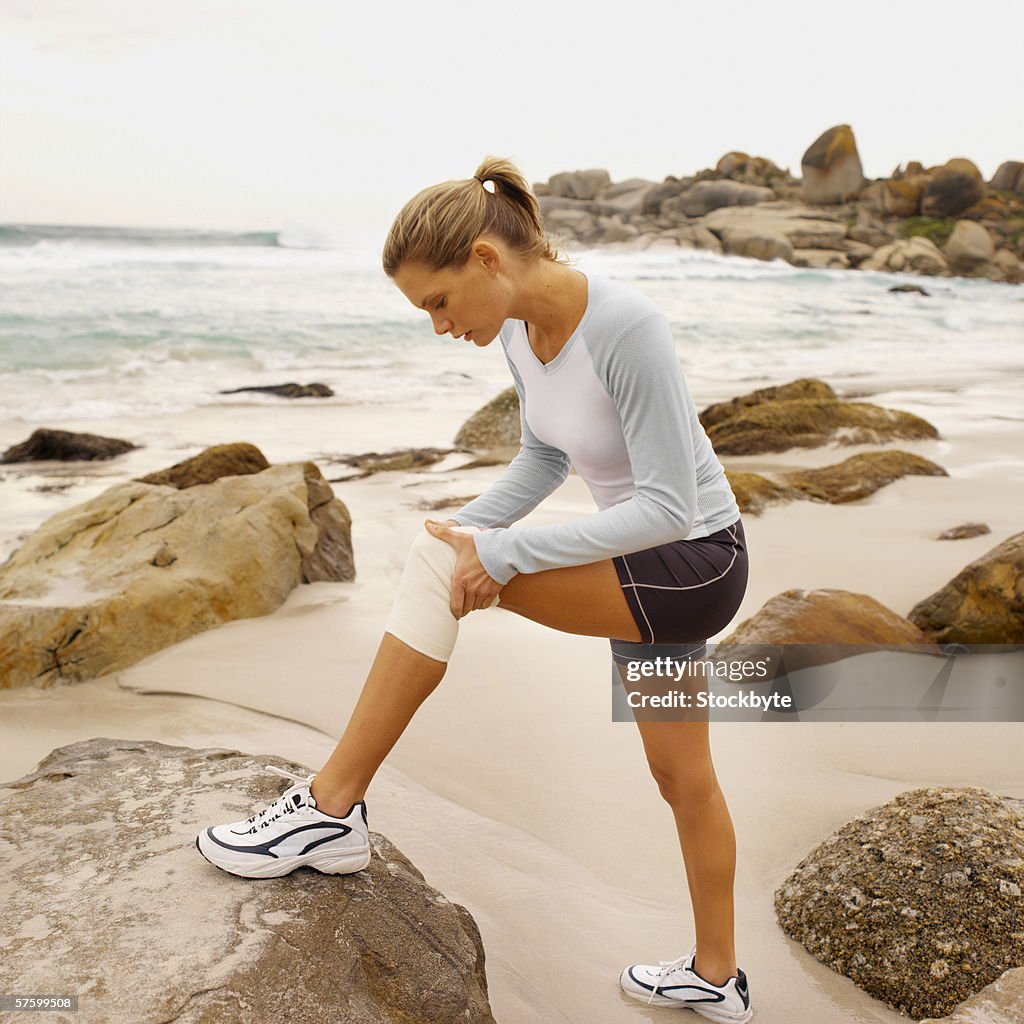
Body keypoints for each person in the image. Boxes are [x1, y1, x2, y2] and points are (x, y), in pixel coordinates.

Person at [196, 157, 753, 1022]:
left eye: (438, 302)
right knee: (682, 778)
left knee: (449, 572)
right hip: (644, 569)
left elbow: (668, 506)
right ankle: (718, 975)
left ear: (487, 260)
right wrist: (462, 530)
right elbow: (542, 457)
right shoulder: (519, 333)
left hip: (694, 563)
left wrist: (502, 554)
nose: (437, 325)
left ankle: (330, 811)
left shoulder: (627, 326)